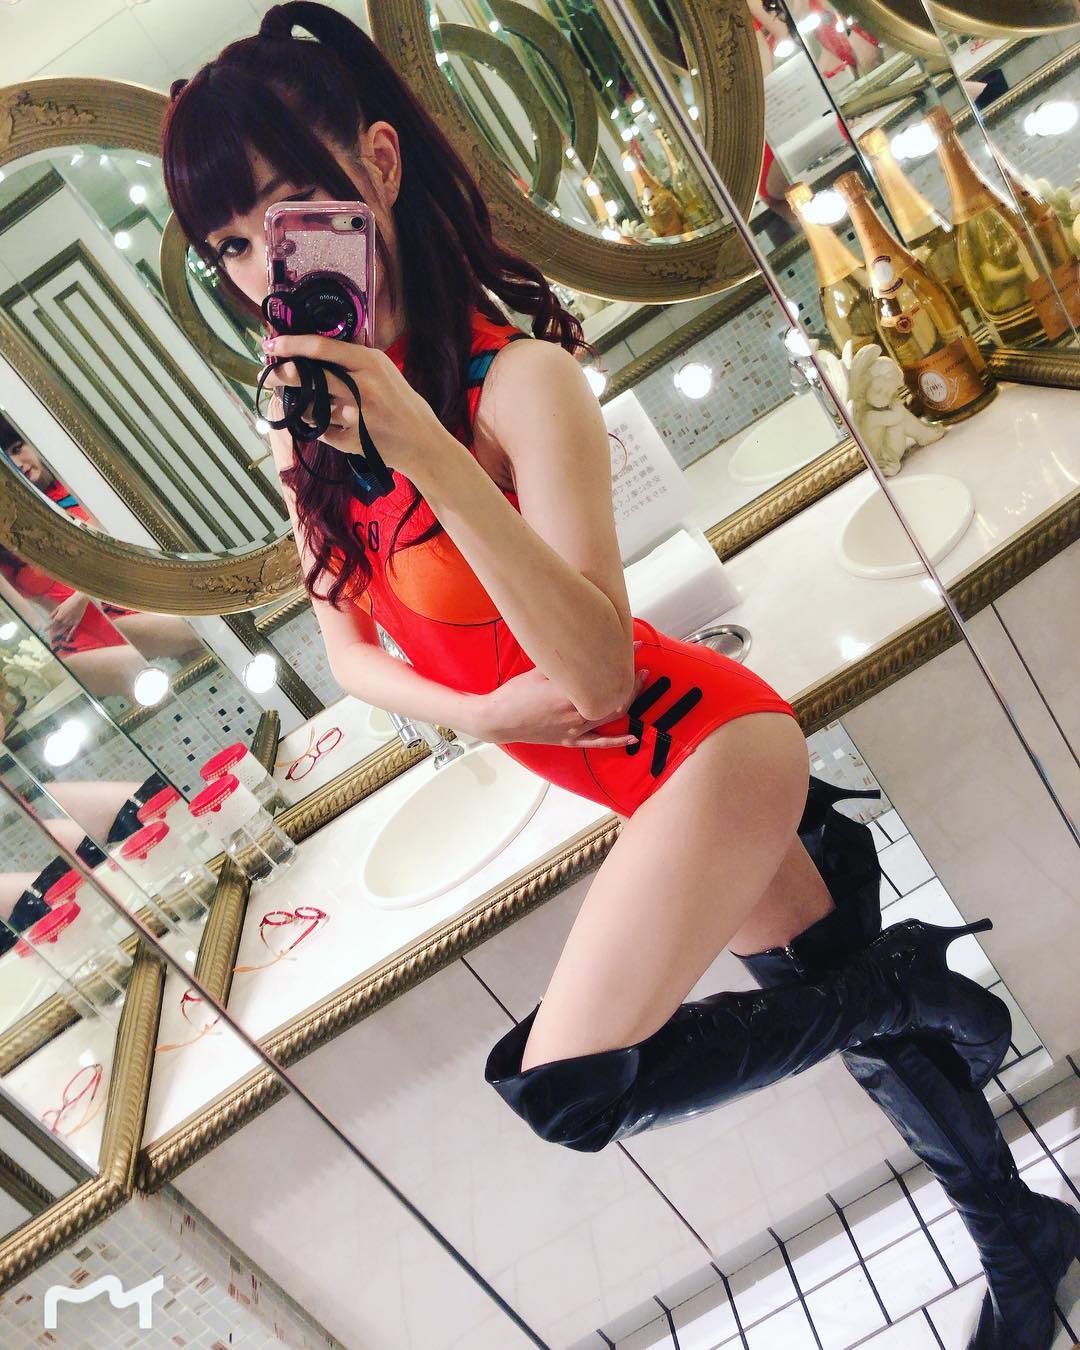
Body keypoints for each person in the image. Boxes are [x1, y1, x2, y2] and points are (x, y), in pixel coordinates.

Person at [161, 7, 1076, 1345]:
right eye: (232, 246)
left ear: (379, 166)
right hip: (636, 784)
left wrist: (428, 451)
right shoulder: (312, 426)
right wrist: (481, 712)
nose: (268, 269)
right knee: (841, 1018)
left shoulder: (519, 383)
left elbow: (594, 668)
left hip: (703, 745)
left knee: (569, 1086)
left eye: (293, 214)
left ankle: (911, 983)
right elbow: (351, 653)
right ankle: (1019, 1232)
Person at [0, 420, 203, 696]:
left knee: (204, 643)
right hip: (77, 637)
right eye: (6, 461)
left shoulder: (73, 484)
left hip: (120, 603)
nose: (17, 463)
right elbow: (25, 619)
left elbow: (115, 544)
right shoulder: (11, 541)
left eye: (17, 448)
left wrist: (83, 596)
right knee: (154, 690)